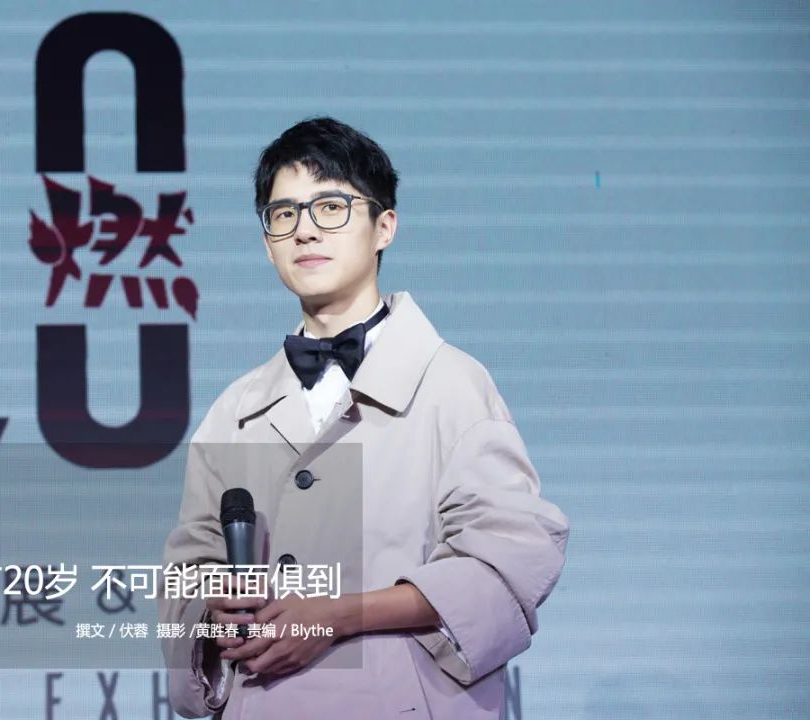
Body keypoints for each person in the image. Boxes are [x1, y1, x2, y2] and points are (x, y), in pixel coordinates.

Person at [159, 117, 568, 719]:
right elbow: (187, 576)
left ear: (384, 227)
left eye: (330, 207)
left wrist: (336, 616)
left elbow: (508, 560)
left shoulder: (452, 385)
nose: (305, 230)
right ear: (267, 241)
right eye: (283, 214)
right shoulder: (235, 412)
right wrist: (213, 616)